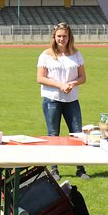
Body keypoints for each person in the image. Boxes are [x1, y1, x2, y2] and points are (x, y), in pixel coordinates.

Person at [36, 23, 89, 180]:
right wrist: (60, 85)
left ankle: (80, 168)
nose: (62, 39)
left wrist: (72, 84)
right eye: (59, 36)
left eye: (64, 36)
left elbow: (83, 77)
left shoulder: (76, 54)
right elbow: (40, 78)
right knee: (53, 135)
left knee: (77, 134)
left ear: (69, 37)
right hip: (52, 99)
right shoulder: (46, 55)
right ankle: (54, 169)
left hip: (72, 100)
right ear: (54, 36)